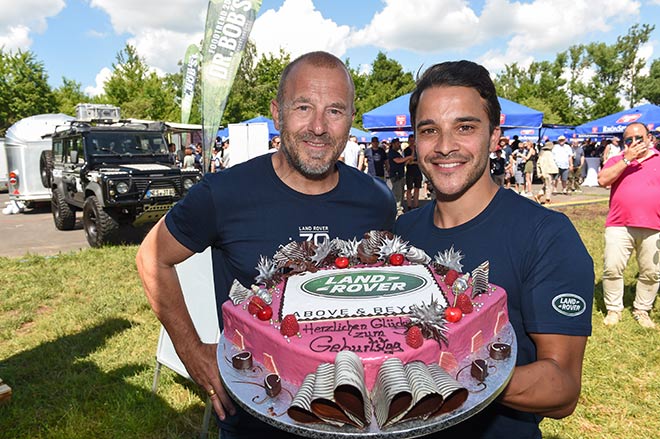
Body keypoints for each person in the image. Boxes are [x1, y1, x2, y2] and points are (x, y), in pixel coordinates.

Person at [135, 51, 396, 439]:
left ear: (351, 120)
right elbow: (152, 258)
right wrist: (193, 352)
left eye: (335, 111)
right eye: (303, 107)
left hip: (355, 415)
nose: (319, 127)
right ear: (277, 112)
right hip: (255, 418)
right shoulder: (223, 194)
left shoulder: (376, 200)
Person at [394, 60, 594, 438]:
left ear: (494, 136)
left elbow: (563, 387)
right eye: (429, 130)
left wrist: (448, 378)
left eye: (465, 127)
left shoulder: (546, 235)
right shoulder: (403, 230)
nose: (444, 146)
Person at [597, 122, 660, 329]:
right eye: (628, 140)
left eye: (638, 138)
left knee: (651, 271)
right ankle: (614, 309)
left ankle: (642, 309)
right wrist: (627, 159)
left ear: (649, 138)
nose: (634, 143)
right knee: (612, 267)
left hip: (654, 225)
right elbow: (603, 180)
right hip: (619, 224)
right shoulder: (617, 160)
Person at [387, 137, 410, 213]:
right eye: (397, 143)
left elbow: (402, 163)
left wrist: (408, 160)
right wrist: (408, 157)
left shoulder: (397, 153)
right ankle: (397, 209)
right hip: (395, 175)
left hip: (400, 175)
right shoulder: (391, 152)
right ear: (393, 144)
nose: (399, 145)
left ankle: (399, 207)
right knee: (397, 193)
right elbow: (398, 161)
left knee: (401, 192)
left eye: (399, 143)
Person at [404, 134, 423, 210]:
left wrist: (414, 161)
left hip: (417, 171)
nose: (412, 142)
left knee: (417, 188)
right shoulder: (406, 150)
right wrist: (412, 151)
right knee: (409, 189)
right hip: (410, 171)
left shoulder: (419, 150)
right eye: (410, 141)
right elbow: (408, 161)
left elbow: (420, 161)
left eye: (413, 140)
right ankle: (409, 205)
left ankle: (416, 204)